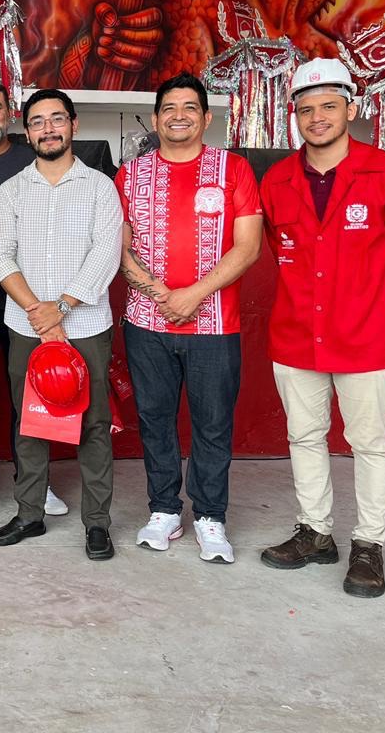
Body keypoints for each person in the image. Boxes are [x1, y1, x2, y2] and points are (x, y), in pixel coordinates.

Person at [258, 59, 385, 597]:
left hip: (368, 335)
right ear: (294, 116)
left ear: (351, 110)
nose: (317, 118)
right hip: (295, 334)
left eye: (329, 106)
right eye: (306, 109)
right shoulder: (277, 180)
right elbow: (280, 249)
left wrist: (368, 297)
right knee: (304, 435)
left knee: (369, 442)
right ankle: (315, 532)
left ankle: (368, 544)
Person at [116, 73, 262, 563]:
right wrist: (162, 295)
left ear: (206, 117)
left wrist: (193, 294)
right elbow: (118, 246)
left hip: (215, 324)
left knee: (213, 423)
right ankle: (163, 509)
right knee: (154, 419)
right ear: (155, 119)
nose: (179, 116)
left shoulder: (233, 169)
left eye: (189, 108)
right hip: (147, 322)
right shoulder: (130, 175)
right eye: (169, 109)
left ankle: (210, 516)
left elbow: (248, 246)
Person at [0, 89, 123, 558]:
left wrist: (60, 308)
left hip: (87, 326)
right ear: (27, 132)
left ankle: (97, 523)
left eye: (56, 119)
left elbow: (106, 253)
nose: (48, 129)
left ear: (73, 125)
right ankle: (29, 514)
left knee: (94, 424)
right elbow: (0, 255)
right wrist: (39, 313)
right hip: (26, 326)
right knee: (30, 422)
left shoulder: (100, 187)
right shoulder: (12, 190)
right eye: (38, 121)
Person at [0, 81, 73, 515]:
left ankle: (35, 481)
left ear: (11, 114)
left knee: (30, 393)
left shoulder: (34, 156)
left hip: (31, 302)